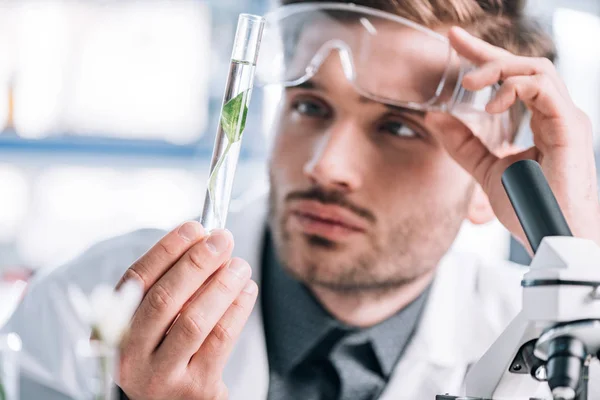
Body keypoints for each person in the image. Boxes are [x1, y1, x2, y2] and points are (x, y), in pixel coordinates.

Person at [4, 0, 600, 399]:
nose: (325, 165)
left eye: (399, 127)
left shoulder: (554, 344)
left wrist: (580, 257)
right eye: (310, 107)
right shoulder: (86, 308)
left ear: (486, 184)